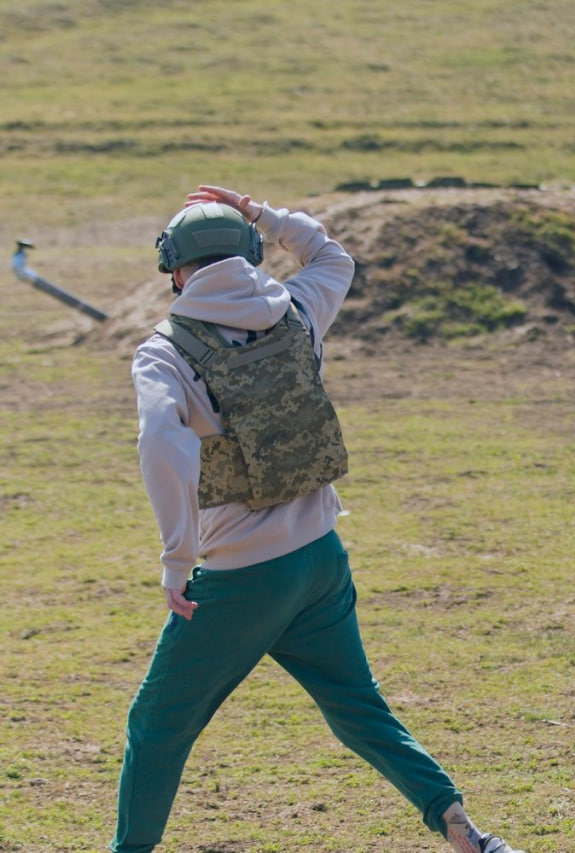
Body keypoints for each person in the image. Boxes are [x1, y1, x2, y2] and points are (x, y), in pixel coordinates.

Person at [114, 185, 524, 853]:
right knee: (359, 708)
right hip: (319, 560)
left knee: (156, 725)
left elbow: (160, 442)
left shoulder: (164, 350)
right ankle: (460, 826)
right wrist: (264, 212)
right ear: (249, 251)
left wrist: (176, 554)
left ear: (175, 270)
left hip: (240, 579)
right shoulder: (297, 309)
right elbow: (333, 255)